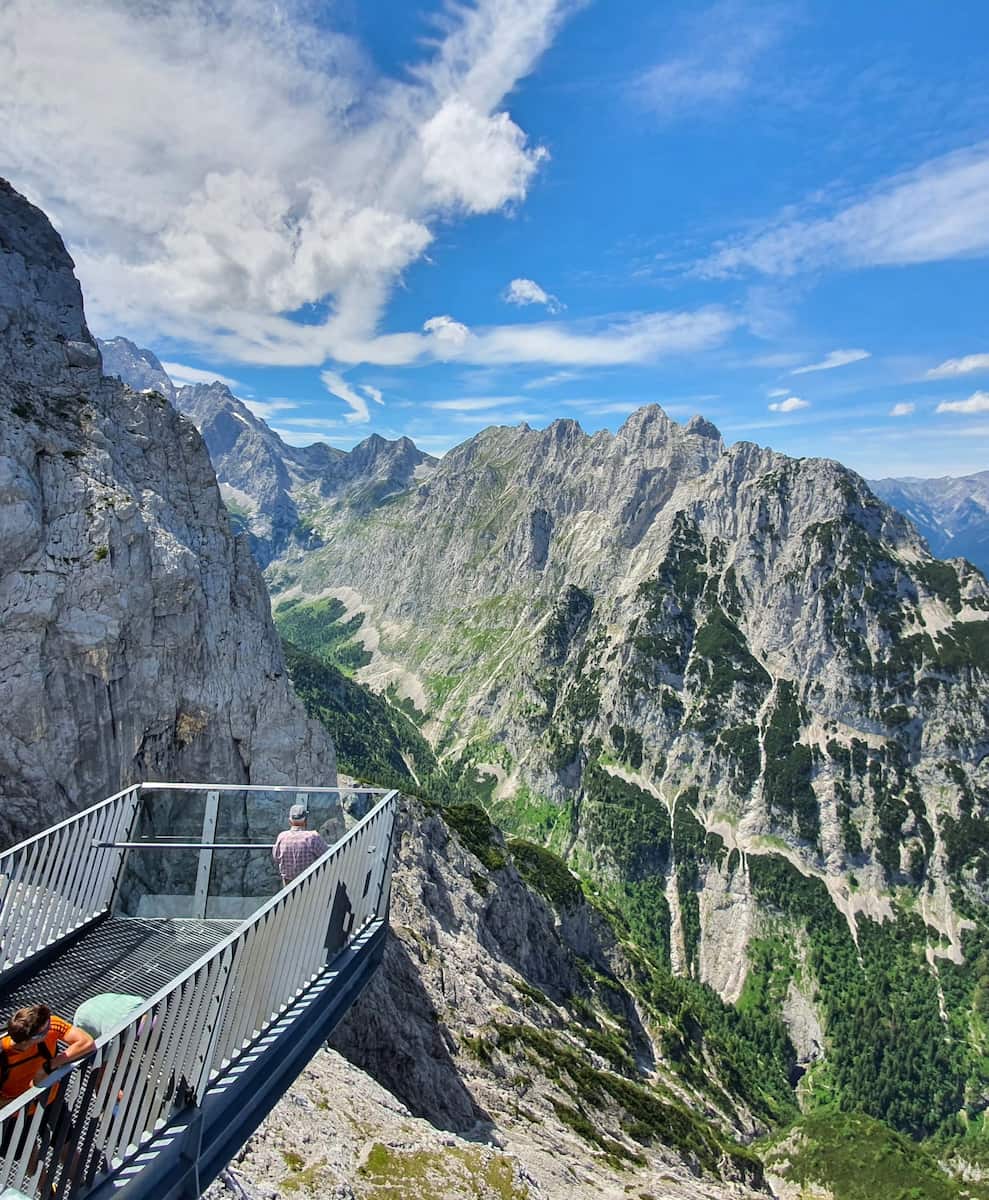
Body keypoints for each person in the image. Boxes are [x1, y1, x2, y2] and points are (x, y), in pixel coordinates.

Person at [0, 1005, 95, 1105]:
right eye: (46, 1028)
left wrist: (48, 1067)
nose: (50, 1026)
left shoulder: (52, 1025)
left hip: (51, 1097)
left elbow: (87, 1042)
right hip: (18, 1112)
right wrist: (24, 1102)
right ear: (33, 1038)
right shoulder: (3, 1055)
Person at [272, 804, 328, 885]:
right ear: (305, 821)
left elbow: (276, 857)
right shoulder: (312, 837)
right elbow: (327, 855)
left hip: (288, 886)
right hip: (310, 883)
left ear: (290, 821)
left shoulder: (282, 837)